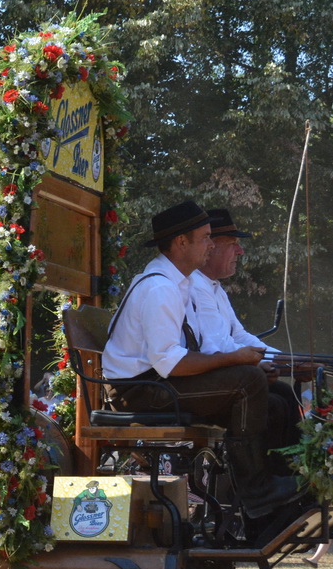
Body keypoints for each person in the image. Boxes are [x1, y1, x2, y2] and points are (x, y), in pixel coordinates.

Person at [102, 199, 300, 519]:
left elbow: (196, 350)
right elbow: (169, 362)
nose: (211, 244)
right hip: (136, 392)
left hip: (154, 383)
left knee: (272, 393)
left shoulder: (176, 283)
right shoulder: (161, 288)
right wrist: (236, 360)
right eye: (206, 237)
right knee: (249, 382)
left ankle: (277, 497)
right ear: (181, 242)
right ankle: (256, 492)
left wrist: (248, 360)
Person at [188, 208, 301, 461]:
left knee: (283, 393)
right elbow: (216, 345)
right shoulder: (195, 286)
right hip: (199, 382)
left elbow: (239, 336)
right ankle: (257, 478)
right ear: (211, 246)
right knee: (274, 404)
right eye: (233, 244)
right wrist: (266, 363)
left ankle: (288, 473)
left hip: (215, 376)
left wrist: (287, 360)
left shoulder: (214, 288)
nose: (240, 251)